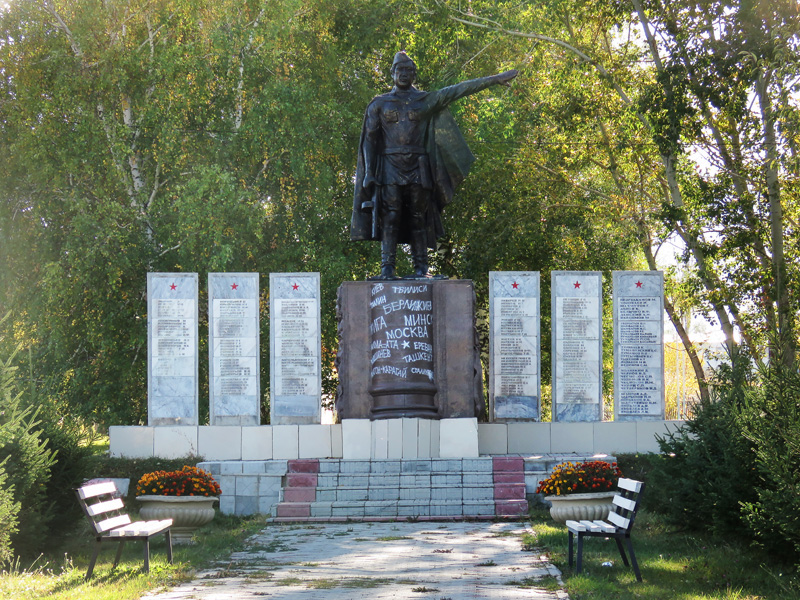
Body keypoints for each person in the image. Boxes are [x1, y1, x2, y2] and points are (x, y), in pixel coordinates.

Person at [351, 51, 518, 279]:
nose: (403, 74)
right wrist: (369, 172)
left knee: (419, 217)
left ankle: (421, 269)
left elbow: (458, 90)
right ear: (392, 73)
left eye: (408, 71)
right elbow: (369, 141)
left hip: (418, 168)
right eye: (400, 70)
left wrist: (494, 79)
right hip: (390, 167)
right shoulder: (379, 104)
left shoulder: (425, 101)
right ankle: (387, 269)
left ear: (414, 74)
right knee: (390, 216)